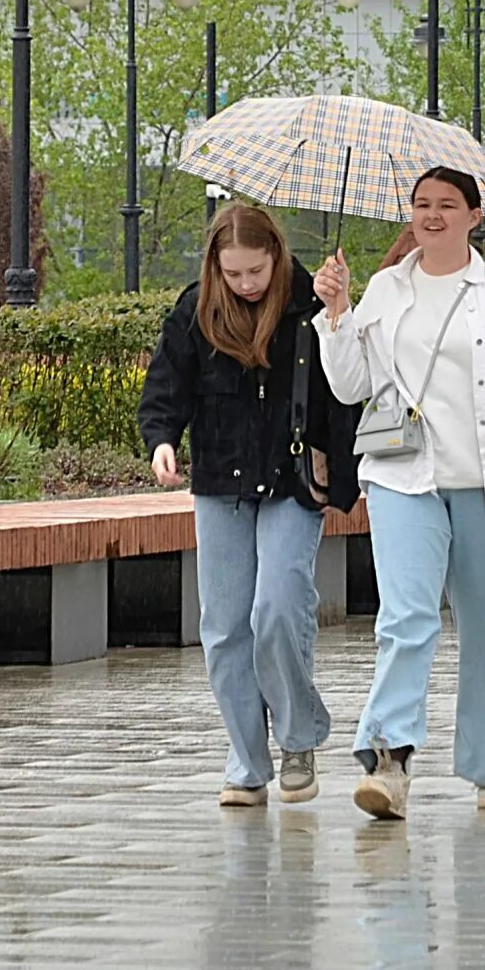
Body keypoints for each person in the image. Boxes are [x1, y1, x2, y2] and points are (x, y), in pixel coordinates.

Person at [315, 168, 485, 820]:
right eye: (422, 204)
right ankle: (387, 758)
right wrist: (337, 315)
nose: (432, 215)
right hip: (402, 476)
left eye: (447, 205)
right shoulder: (387, 290)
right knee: (405, 616)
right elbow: (349, 385)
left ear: (474, 215)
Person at [140, 202, 360, 808]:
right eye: (233, 273)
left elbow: (349, 386)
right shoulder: (195, 309)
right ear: (215, 264)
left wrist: (337, 311)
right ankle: (247, 757)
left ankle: (296, 739)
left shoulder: (307, 302)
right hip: (220, 482)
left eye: (256, 272)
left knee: (279, 610)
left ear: (276, 256)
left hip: (290, 479)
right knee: (224, 626)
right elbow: (165, 386)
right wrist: (161, 440)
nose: (245, 284)